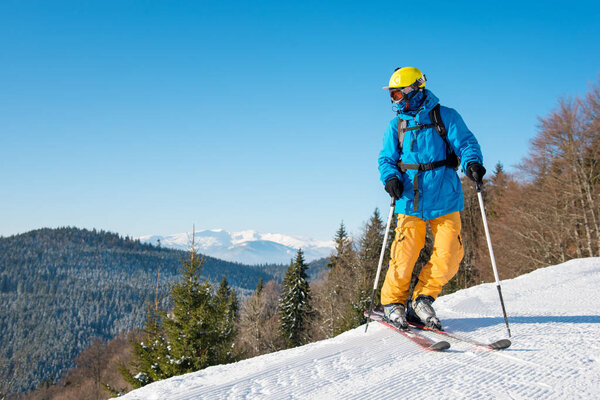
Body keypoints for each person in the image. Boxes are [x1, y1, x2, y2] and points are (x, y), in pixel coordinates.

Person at [377, 66, 486, 330]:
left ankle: (421, 300)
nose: (395, 101)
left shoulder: (445, 116)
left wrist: (472, 163)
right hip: (409, 199)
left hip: (444, 197)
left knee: (449, 255)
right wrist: (390, 177)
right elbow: (386, 159)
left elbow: (467, 144)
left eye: (397, 95)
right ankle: (393, 303)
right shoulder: (397, 125)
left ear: (414, 89)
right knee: (404, 255)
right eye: (392, 96)